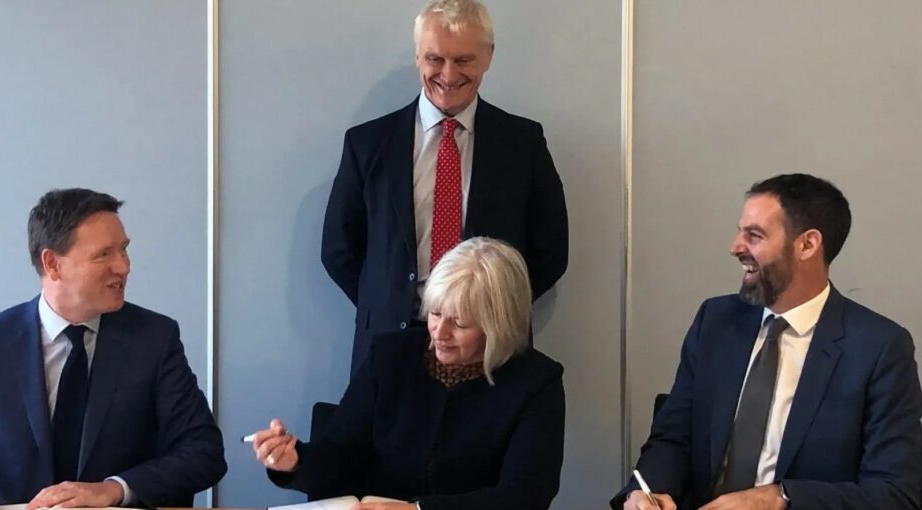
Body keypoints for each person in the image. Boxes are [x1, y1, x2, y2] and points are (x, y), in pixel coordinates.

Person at [612, 174, 922, 510]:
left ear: (807, 245)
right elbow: (673, 437)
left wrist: (781, 498)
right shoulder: (716, 321)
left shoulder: (879, 348)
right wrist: (647, 492)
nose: (735, 247)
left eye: (754, 235)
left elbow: (896, 494)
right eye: (739, 232)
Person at [0, 188, 226, 510]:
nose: (124, 267)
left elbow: (203, 451)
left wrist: (113, 489)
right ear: (53, 264)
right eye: (104, 254)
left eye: (124, 250)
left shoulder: (154, 338)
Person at [320, 0, 569, 375]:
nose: (448, 74)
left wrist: (492, 311)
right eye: (435, 59)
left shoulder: (523, 144)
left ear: (488, 57)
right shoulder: (367, 144)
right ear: (418, 57)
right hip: (390, 348)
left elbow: (550, 250)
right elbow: (339, 249)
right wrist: (387, 303)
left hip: (490, 351)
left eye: (464, 60)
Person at [252, 237, 565, 510]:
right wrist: (293, 462)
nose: (438, 332)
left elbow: (526, 496)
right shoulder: (391, 355)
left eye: (459, 323)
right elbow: (339, 452)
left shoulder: (536, 382)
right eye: (435, 313)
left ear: (498, 325)